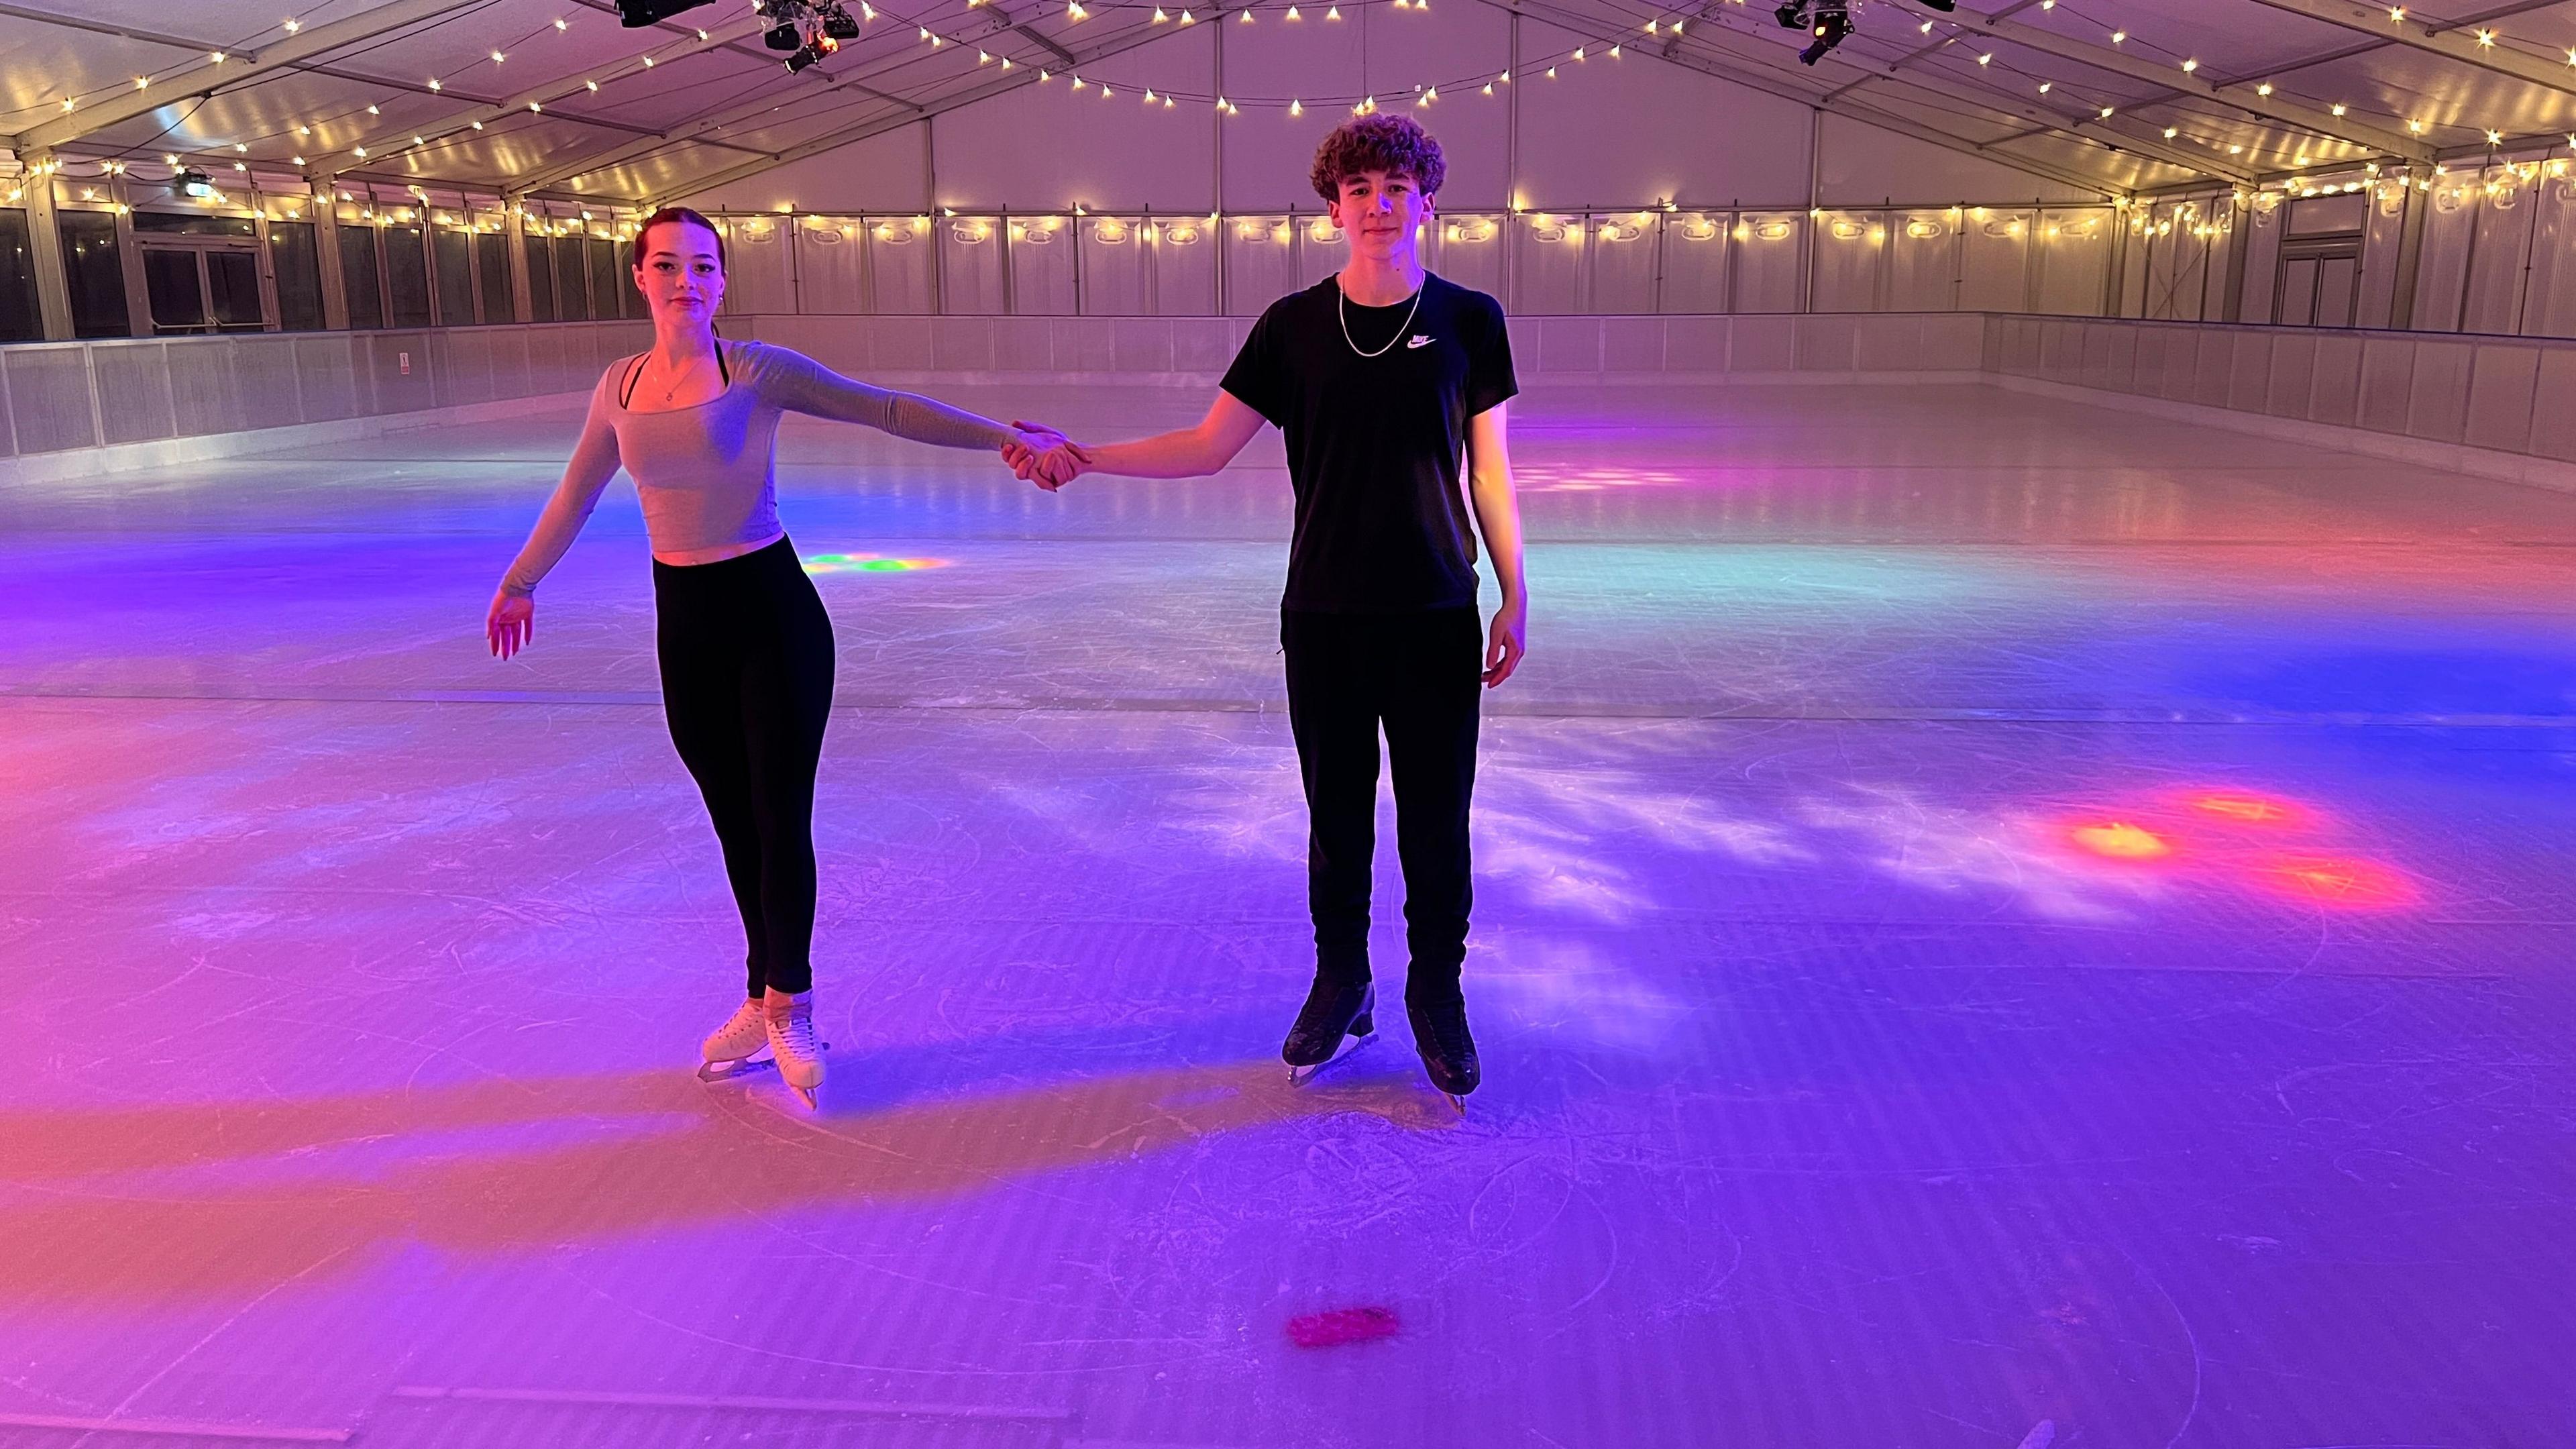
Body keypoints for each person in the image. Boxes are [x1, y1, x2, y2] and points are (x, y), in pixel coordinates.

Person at [488, 205, 1063, 1110]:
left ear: (722, 282)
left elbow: (886, 410)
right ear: (640, 276)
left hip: (773, 614)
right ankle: (763, 994)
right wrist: (521, 580)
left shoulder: (755, 370)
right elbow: (575, 493)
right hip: (685, 623)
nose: (688, 281)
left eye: (705, 267)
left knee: (778, 813)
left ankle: (789, 1001)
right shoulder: (620, 387)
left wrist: (1003, 435)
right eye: (669, 265)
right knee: (733, 823)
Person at [1006, 115, 1527, 1109]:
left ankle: (1436, 988)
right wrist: (1085, 453)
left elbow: (1490, 472)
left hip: (1433, 612)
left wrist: (1515, 588)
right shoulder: (1290, 327)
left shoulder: (1471, 318)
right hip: (1325, 616)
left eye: (1397, 188)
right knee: (1336, 817)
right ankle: (1344, 979)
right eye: (1361, 188)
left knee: (1435, 821)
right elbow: (1207, 446)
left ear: (1428, 202)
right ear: (1333, 207)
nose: (1379, 205)